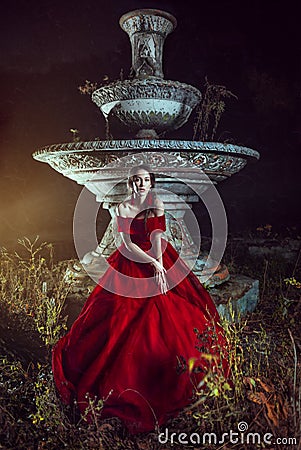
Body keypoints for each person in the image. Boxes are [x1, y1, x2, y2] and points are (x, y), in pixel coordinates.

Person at [52, 164, 230, 434]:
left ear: (150, 182)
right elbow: (127, 244)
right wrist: (151, 263)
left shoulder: (156, 201)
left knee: (172, 310)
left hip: (157, 256)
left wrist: (160, 263)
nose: (141, 184)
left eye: (145, 180)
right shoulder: (123, 208)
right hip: (130, 259)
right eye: (136, 180)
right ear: (130, 183)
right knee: (121, 316)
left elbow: (158, 235)